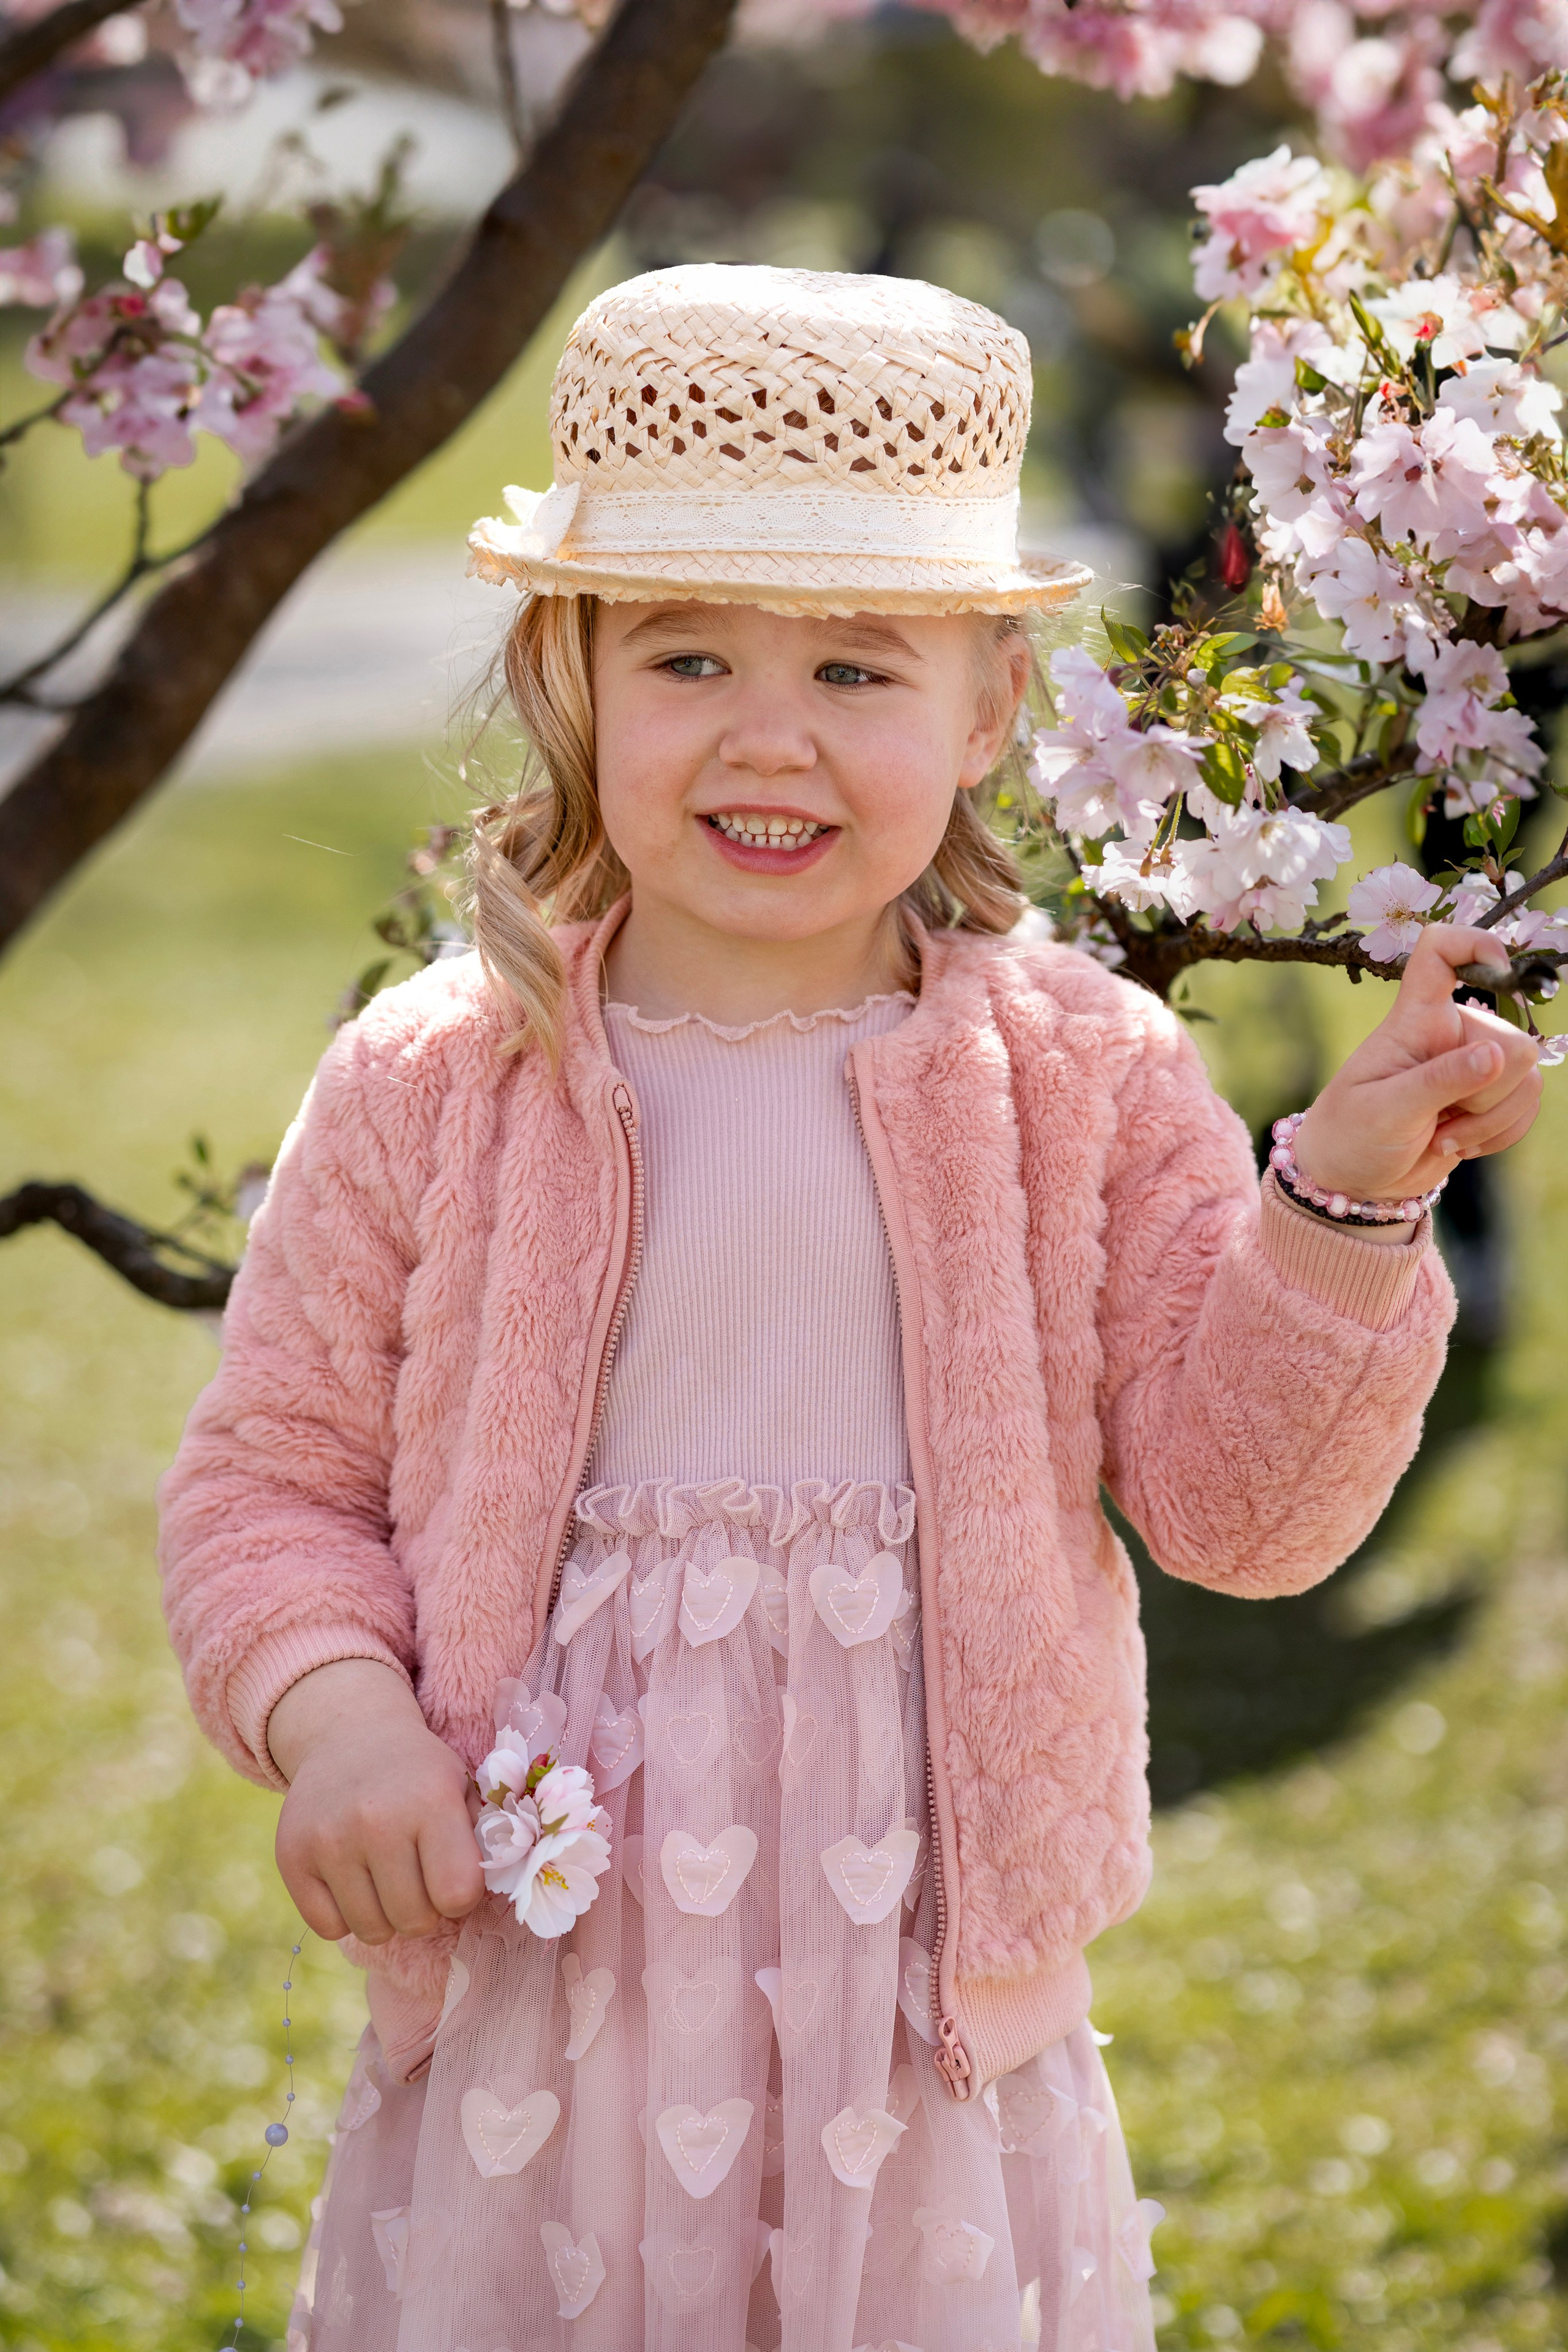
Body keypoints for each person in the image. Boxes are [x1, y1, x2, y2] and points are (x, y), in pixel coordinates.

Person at [157, 265, 1541, 2352]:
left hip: (923, 2028)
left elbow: (1241, 1513)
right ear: (574, 676)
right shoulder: (437, 1080)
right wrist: (338, 1715)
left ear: (990, 707)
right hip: (548, 2002)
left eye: (860, 666)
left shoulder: (1079, 1082)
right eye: (690, 654)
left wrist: (1342, 1200)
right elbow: (268, 1481)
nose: (768, 734)